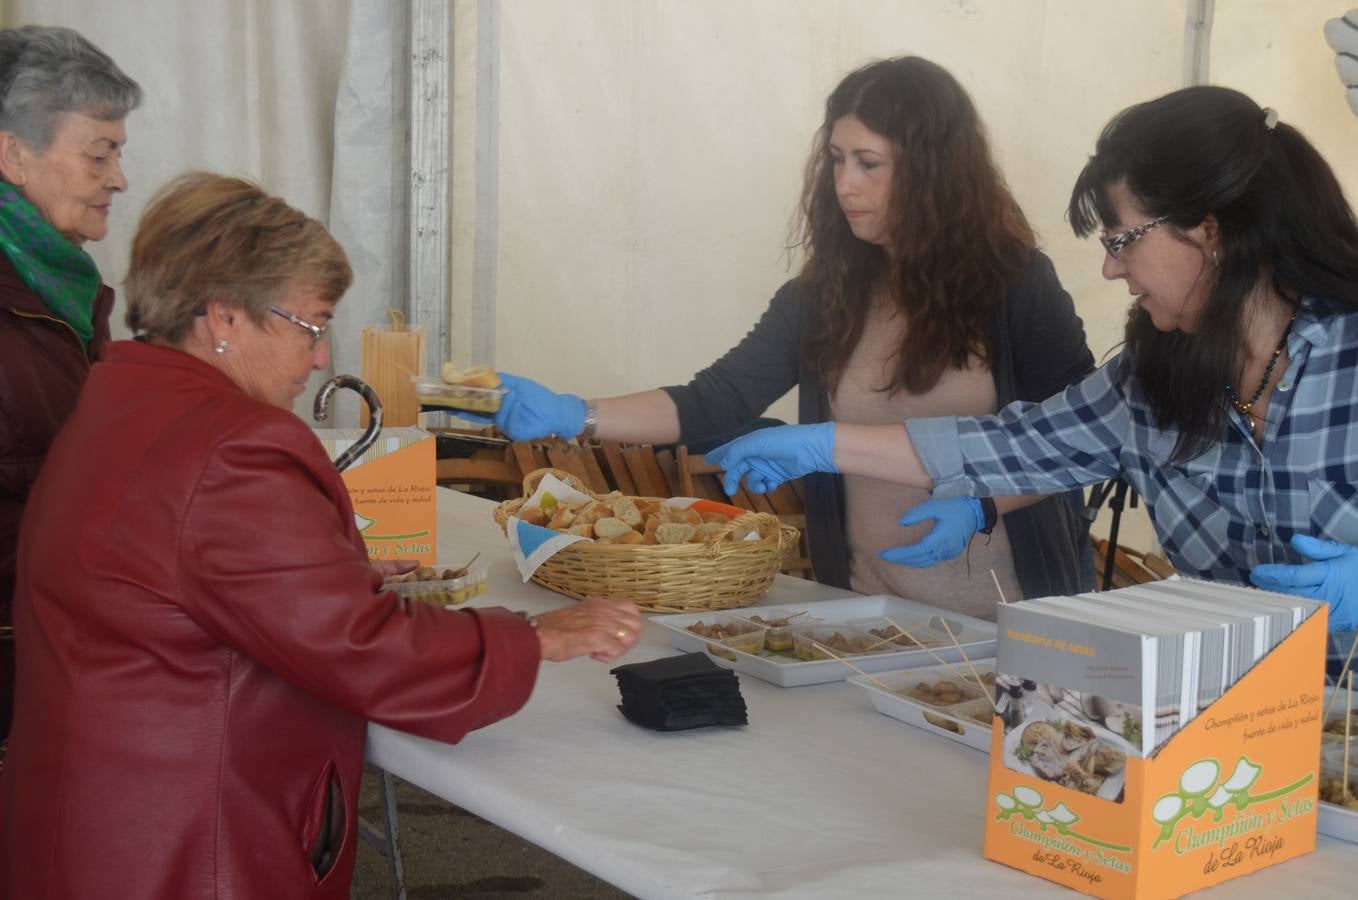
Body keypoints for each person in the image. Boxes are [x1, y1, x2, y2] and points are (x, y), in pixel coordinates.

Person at [0, 172, 643, 899]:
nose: (318, 358)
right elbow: (363, 648)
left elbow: (168, 565)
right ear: (224, 319)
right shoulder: (234, 445)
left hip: (97, 822)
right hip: (188, 844)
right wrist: (537, 638)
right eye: (311, 325)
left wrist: (318, 564)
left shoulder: (116, 399)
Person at [705, 85, 1358, 635]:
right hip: (1245, 732)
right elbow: (1012, 446)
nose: (1110, 267)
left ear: (1209, 232)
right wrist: (825, 446)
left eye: (1122, 240)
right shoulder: (1150, 383)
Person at [473, 57, 1095, 620]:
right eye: (836, 159)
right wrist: (576, 413)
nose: (843, 184)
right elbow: (715, 400)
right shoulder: (825, 293)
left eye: (869, 164)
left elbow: (1084, 441)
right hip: (866, 607)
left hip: (1014, 619)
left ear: (934, 171)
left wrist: (984, 504)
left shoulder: (1015, 283)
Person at [0, 24, 141, 756]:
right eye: (99, 154)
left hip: (52, 649)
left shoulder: (66, 286)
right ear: (11, 152)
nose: (118, 179)